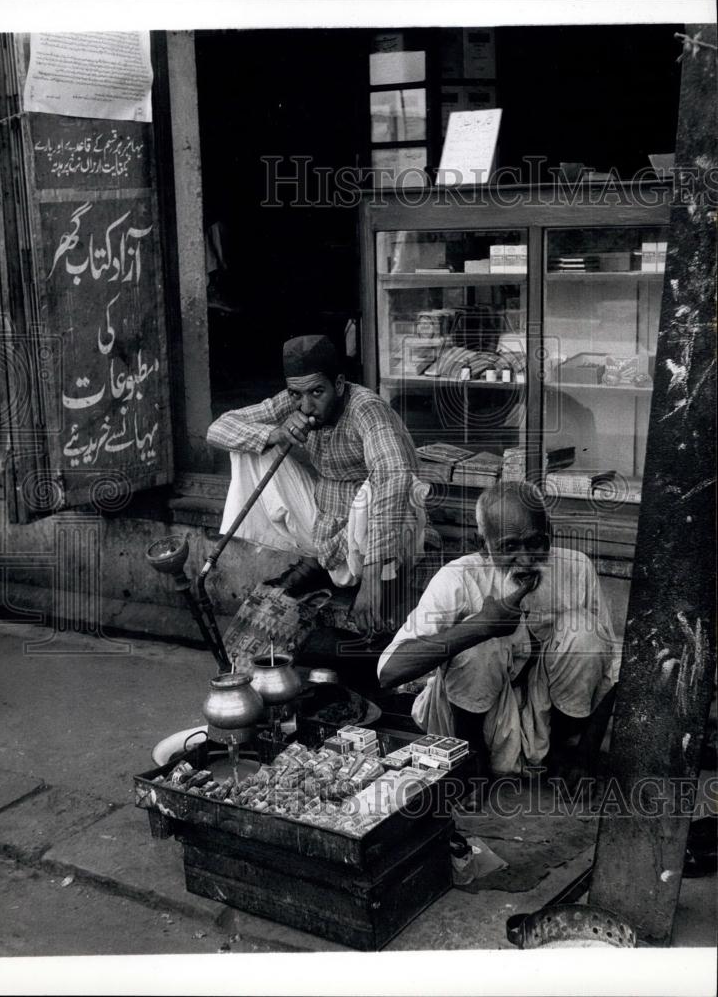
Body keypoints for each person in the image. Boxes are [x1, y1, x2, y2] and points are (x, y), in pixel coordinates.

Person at [377, 481, 618, 781]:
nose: (527, 560)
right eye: (510, 547)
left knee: (585, 631)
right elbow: (389, 671)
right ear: (484, 546)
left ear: (550, 536)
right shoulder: (459, 578)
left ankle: (562, 754)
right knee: (479, 641)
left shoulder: (576, 569)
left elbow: (612, 673)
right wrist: (481, 627)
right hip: (476, 723)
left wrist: (587, 754)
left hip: (546, 721)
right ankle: (472, 762)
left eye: (535, 543)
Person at [206, 334, 430, 634]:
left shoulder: (367, 409)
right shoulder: (295, 401)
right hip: (326, 525)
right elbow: (217, 429)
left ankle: (374, 578)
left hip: (381, 534)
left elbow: (395, 479)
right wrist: (275, 434)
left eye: (316, 392)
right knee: (251, 448)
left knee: (383, 481)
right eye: (297, 395)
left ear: (338, 385)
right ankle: (320, 562)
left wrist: (372, 579)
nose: (306, 405)